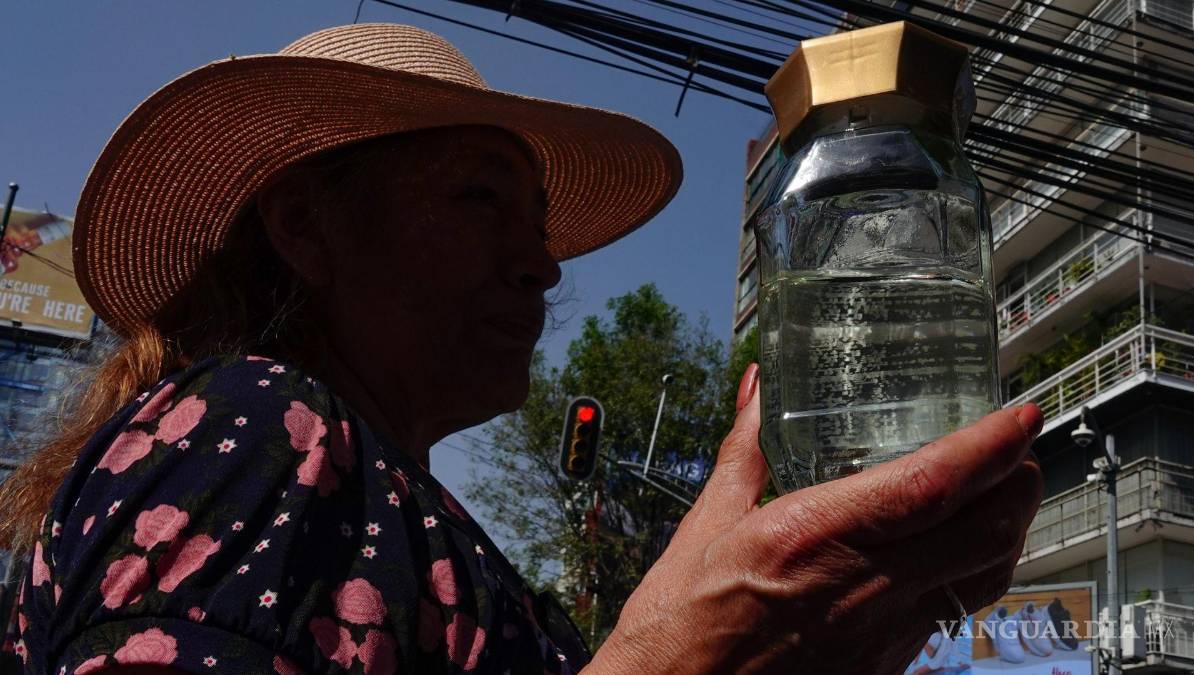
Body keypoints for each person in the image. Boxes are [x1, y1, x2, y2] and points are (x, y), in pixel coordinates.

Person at [0, 23, 1044, 675]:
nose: (542, 264)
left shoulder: (374, 496)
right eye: (479, 198)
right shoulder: (256, 434)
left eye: (538, 220)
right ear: (308, 226)